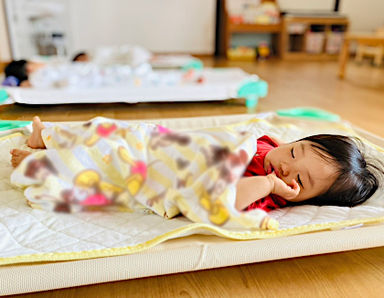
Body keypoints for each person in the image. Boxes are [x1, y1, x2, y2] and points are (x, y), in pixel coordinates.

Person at [10, 117, 383, 213]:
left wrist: (269, 186)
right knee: (111, 129)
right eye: (294, 154)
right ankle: (48, 137)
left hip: (161, 173)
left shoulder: (269, 190)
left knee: (106, 164)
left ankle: (41, 163)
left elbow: (222, 199)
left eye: (300, 181)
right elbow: (223, 138)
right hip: (165, 146)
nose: (286, 169)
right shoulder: (267, 143)